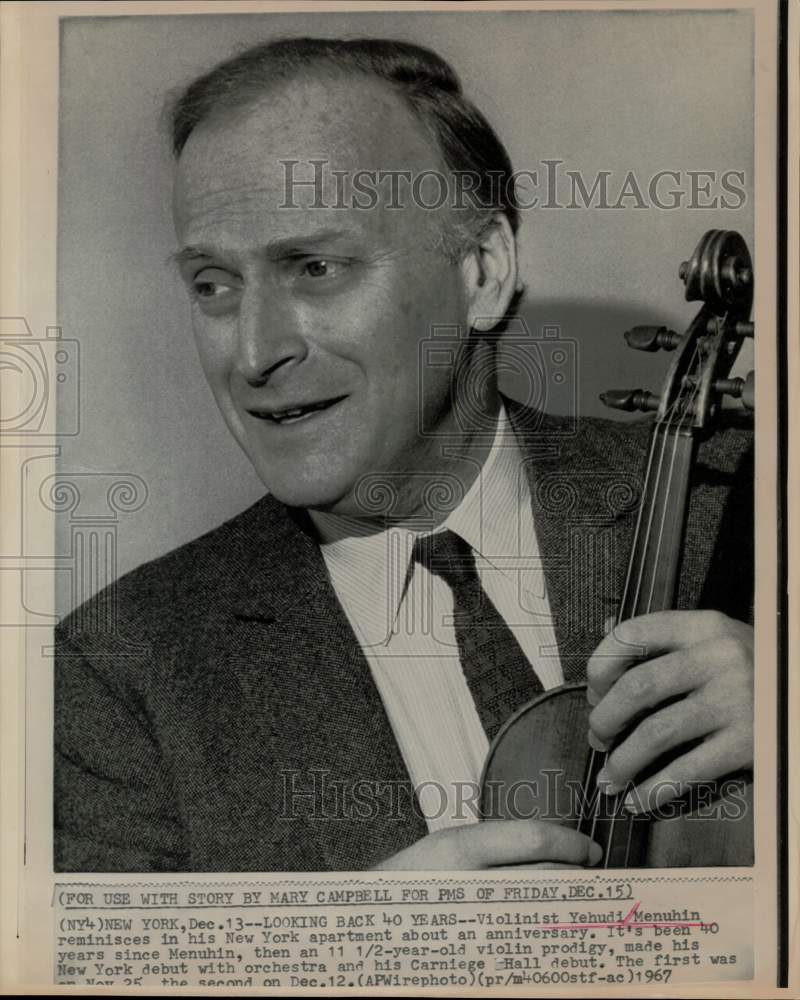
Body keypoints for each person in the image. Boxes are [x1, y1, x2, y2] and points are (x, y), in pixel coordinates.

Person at [54, 37, 754, 873]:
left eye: (315, 267)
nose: (252, 352)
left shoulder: (748, 501)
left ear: (483, 272)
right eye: (213, 284)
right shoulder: (115, 669)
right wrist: (355, 956)